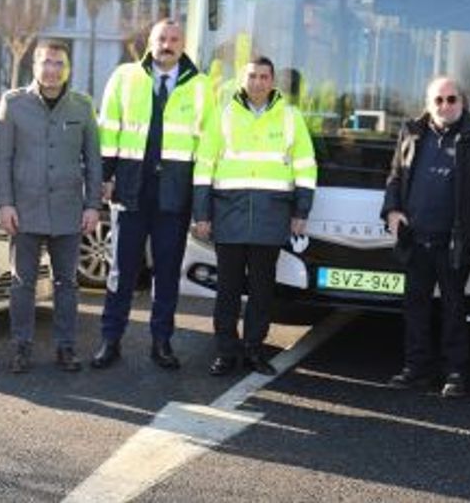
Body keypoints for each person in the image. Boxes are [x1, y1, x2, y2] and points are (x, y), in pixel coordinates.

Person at [93, 19, 214, 370]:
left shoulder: (202, 86)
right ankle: (110, 340)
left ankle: (161, 343)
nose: (167, 44)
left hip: (175, 195)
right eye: (162, 38)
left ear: (183, 44)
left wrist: (201, 205)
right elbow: (108, 131)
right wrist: (105, 177)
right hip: (130, 190)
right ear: (150, 41)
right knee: (121, 271)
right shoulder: (124, 77)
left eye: (174, 39)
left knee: (167, 272)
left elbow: (207, 149)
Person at [194, 56, 317, 376]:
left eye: (264, 77)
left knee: (262, 291)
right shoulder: (223, 115)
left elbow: (306, 166)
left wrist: (301, 211)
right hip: (229, 215)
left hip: (271, 216)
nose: (258, 82)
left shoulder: (290, 117)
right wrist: (202, 214)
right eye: (252, 76)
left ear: (272, 81)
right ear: (242, 79)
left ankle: (253, 351)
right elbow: (204, 166)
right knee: (228, 291)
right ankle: (225, 352)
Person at [381, 77, 470, 398]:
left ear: (463, 102)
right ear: (428, 103)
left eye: (451, 99)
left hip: (455, 242)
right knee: (415, 308)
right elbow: (395, 176)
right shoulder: (412, 132)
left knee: (453, 309)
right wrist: (392, 211)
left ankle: (455, 372)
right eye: (438, 100)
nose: (445, 106)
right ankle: (416, 368)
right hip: (415, 239)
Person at [0, 41, 102, 373]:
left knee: (66, 283)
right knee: (22, 283)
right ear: (35, 66)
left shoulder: (82, 105)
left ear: (67, 69)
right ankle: (21, 347)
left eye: (59, 64)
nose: (52, 70)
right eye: (46, 62)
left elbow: (93, 160)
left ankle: (65, 347)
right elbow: (2, 159)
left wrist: (92, 205)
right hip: (24, 210)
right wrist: (5, 204)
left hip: (68, 210)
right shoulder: (14, 103)